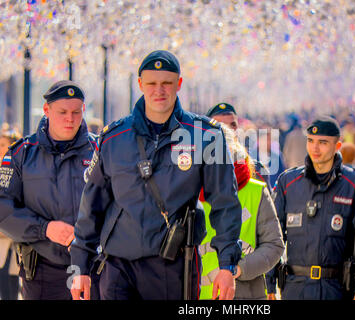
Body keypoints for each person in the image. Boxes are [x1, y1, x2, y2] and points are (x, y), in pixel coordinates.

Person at [70, 50, 242, 300]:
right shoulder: (114, 138)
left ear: (179, 84)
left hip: (172, 267)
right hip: (118, 267)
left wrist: (227, 265)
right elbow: (92, 204)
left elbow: (225, 203)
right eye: (151, 83)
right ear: (140, 84)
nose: (158, 90)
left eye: (166, 83)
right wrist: (81, 265)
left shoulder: (207, 136)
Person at [0, 81, 98, 300]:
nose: (70, 119)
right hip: (41, 271)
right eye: (62, 112)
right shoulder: (22, 155)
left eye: (76, 112)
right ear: (46, 110)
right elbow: (3, 209)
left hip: (93, 269)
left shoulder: (101, 151)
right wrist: (44, 229)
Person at [271, 116, 355, 300]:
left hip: (337, 290)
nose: (315, 148)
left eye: (322, 142)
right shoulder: (288, 183)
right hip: (295, 289)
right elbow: (272, 237)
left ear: (337, 146)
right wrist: (269, 282)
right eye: (310, 141)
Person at [198, 125, 284, 300]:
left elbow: (274, 245)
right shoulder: (190, 192)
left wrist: (239, 269)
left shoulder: (256, 191)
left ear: (233, 151)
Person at [206, 102, 271, 187]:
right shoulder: (197, 172)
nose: (228, 129)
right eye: (221, 125)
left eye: (233, 124)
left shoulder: (257, 170)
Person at [0, 129, 22, 300]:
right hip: (1, 237)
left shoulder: (18, 167)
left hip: (13, 235)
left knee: (12, 278)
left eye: (2, 145)